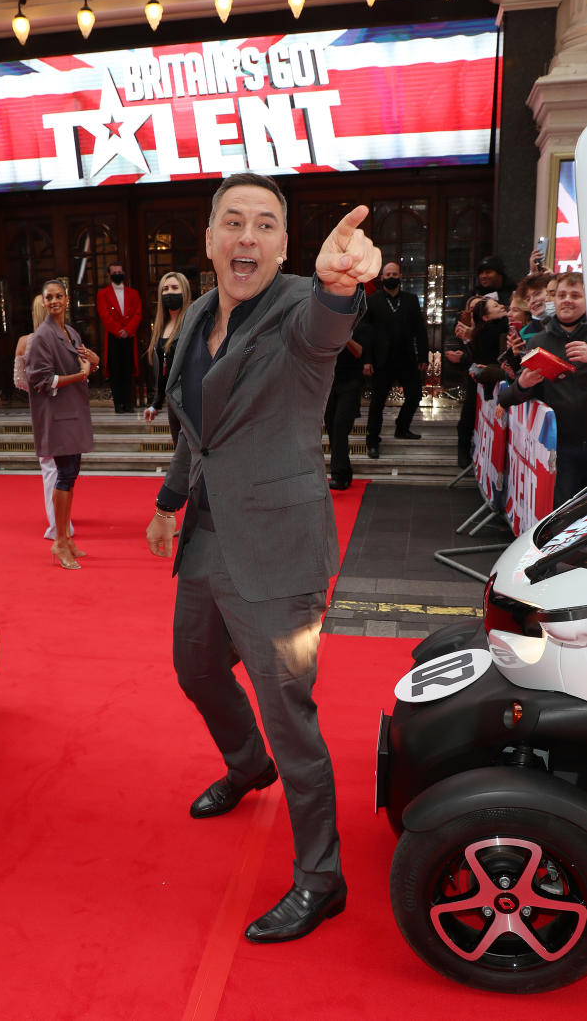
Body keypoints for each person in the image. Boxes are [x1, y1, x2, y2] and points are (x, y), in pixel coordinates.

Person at [146, 171, 380, 944]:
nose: (247, 237)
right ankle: (248, 766)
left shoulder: (295, 309)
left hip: (278, 552)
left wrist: (340, 287)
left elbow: (322, 332)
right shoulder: (197, 314)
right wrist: (169, 502)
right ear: (209, 236)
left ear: (284, 243)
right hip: (209, 536)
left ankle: (322, 876)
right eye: (233, 222)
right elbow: (195, 431)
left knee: (292, 717)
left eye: (265, 225)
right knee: (195, 668)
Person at [26, 280, 99, 569]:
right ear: (43, 302)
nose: (54, 301)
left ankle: (66, 539)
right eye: (49, 297)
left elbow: (83, 367)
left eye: (59, 296)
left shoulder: (70, 332)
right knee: (65, 475)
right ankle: (59, 540)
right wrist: (80, 376)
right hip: (56, 418)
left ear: (67, 300)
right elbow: (41, 380)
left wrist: (94, 362)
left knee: (71, 474)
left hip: (73, 413)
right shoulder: (42, 336)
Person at [498, 272, 587, 508]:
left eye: (576, 295)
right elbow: (507, 397)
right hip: (561, 448)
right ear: (554, 300)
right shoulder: (538, 342)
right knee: (562, 516)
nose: (567, 300)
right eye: (562, 295)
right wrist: (522, 385)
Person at [14, 294, 74, 543]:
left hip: (41, 409)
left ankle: (58, 525)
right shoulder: (65, 337)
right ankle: (60, 523)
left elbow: (19, 381)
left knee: (51, 467)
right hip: (65, 408)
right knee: (63, 468)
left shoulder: (25, 342)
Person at [363, 261, 428, 458]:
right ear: (382, 278)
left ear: (401, 277)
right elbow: (366, 333)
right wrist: (366, 360)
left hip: (406, 359)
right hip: (381, 360)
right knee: (377, 403)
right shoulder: (372, 301)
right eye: (387, 274)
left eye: (394, 274)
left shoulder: (411, 299)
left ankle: (402, 427)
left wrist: (423, 355)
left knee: (415, 394)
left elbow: (420, 330)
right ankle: (372, 441)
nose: (391, 277)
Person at [445, 296, 507, 467]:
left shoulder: (495, 328)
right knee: (468, 416)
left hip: (494, 382)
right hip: (475, 382)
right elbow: (470, 362)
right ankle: (464, 452)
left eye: (478, 308)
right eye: (472, 309)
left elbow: (487, 358)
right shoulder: (470, 331)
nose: (475, 312)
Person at [143, 272, 192, 447]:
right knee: (179, 451)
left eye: (174, 288)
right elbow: (162, 371)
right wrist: (155, 404)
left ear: (184, 291)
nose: (169, 292)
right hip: (173, 404)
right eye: (165, 289)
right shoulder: (160, 327)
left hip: (191, 402)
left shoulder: (193, 321)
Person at [325, 323, 368, 489]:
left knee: (340, 426)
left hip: (351, 382)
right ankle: (344, 470)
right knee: (331, 426)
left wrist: (345, 336)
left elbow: (359, 352)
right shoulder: (329, 323)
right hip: (330, 381)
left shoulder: (360, 326)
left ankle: (338, 473)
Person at [96, 262, 142, 413]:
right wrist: (118, 330)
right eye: (114, 272)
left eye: (119, 271)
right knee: (116, 371)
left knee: (128, 370)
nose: (117, 274)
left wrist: (128, 330)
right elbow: (104, 315)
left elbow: (137, 314)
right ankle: (118, 404)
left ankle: (129, 404)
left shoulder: (133, 293)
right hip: (113, 338)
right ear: (109, 275)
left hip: (129, 337)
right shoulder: (103, 294)